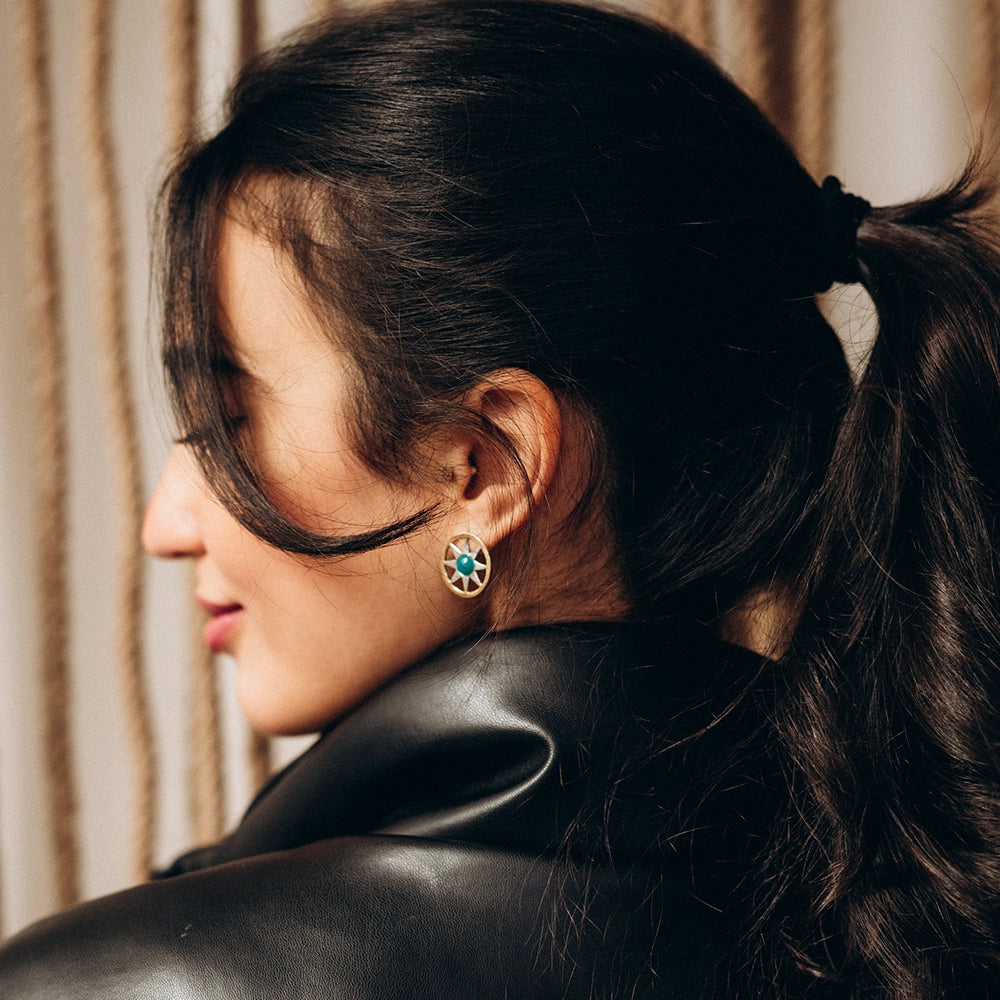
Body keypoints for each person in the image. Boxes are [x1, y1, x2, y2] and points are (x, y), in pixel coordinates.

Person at [3, 1, 1000, 996]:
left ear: (484, 470)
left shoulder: (120, 981)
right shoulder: (929, 928)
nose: (164, 526)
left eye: (228, 421)